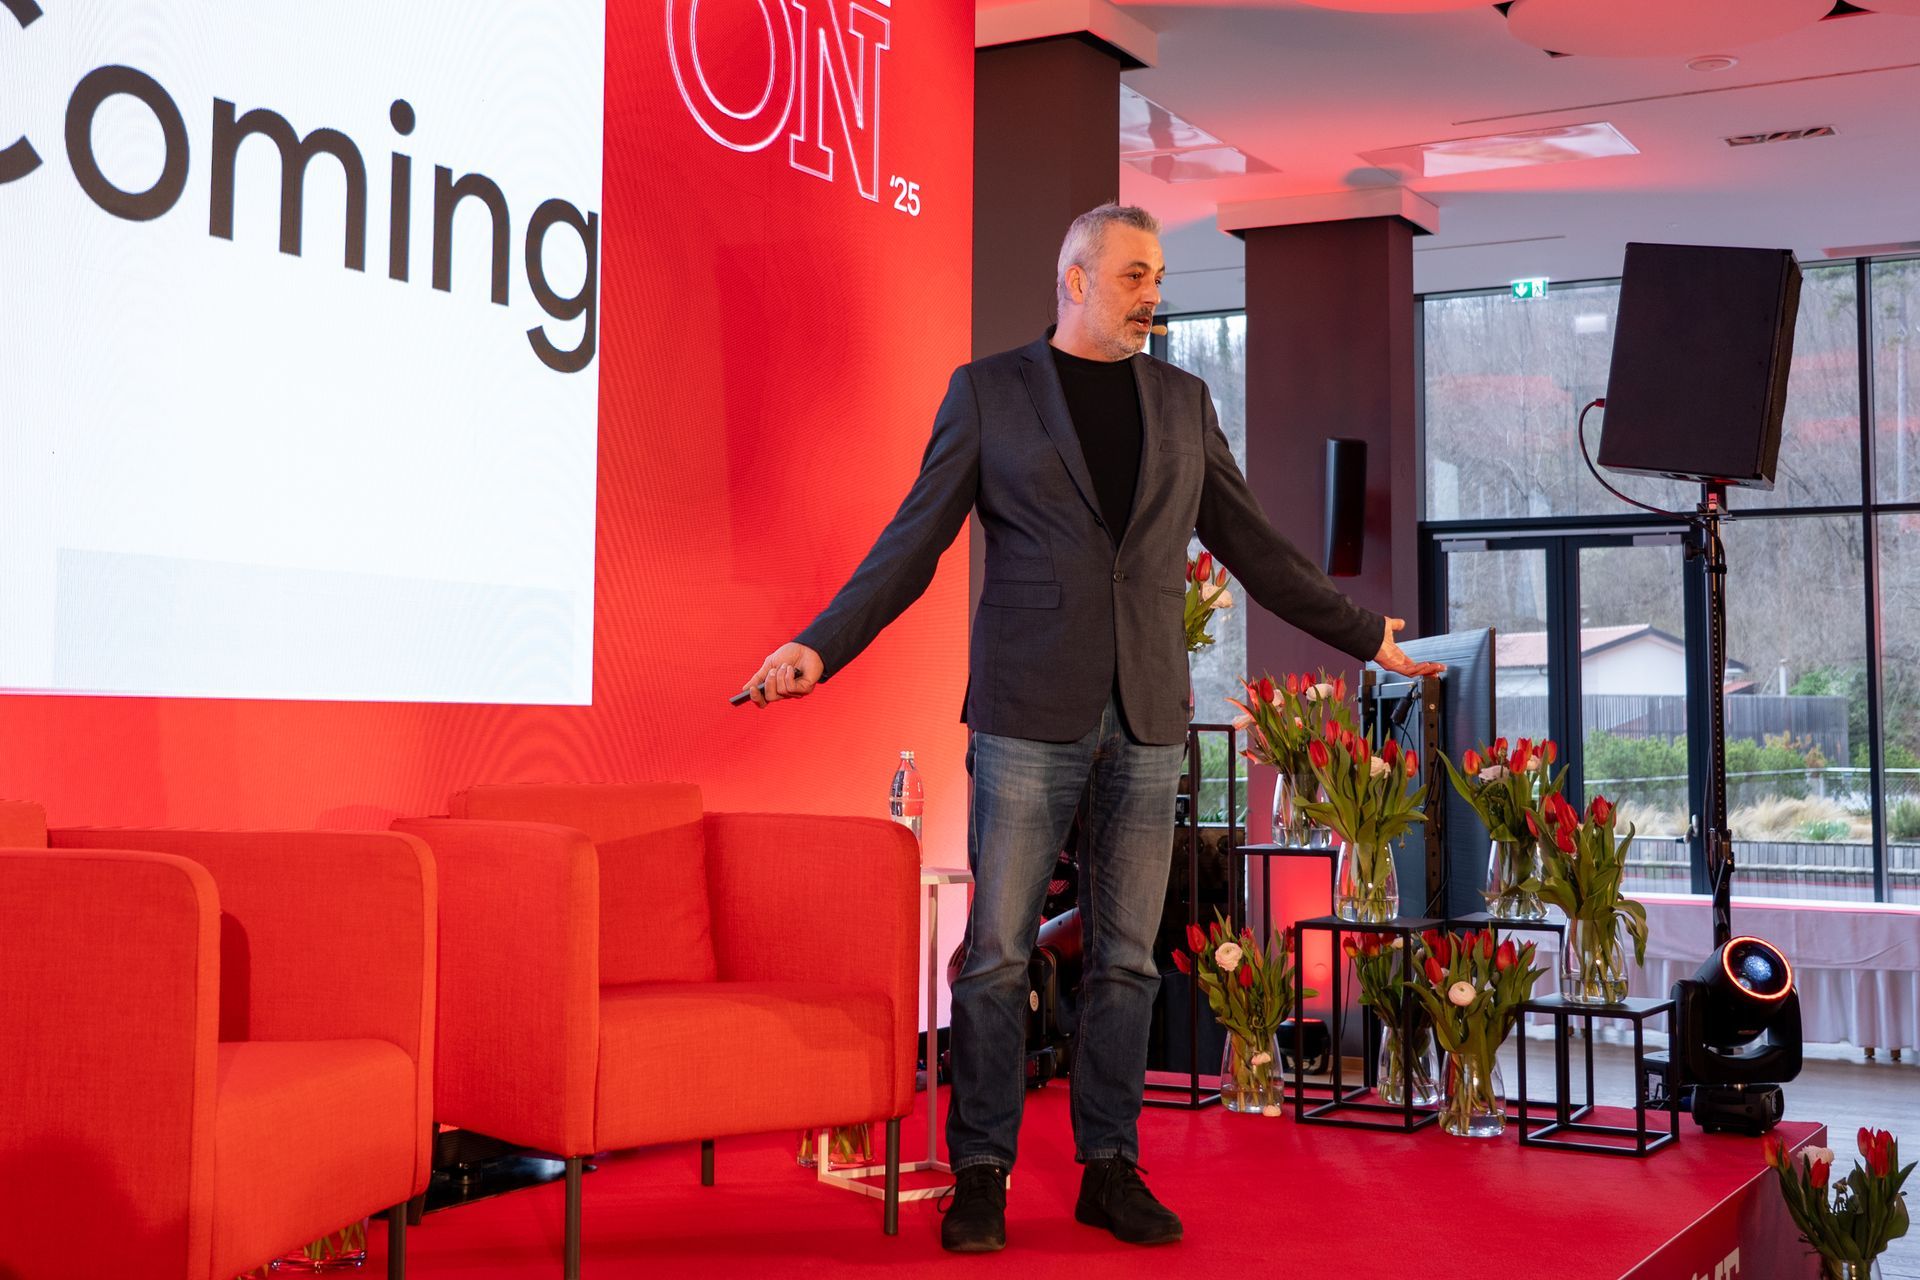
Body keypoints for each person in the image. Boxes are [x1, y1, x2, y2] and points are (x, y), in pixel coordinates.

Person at [742, 203, 1441, 1253]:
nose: (1152, 294)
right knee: (995, 954)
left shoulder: (1184, 401)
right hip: (1026, 711)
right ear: (1075, 278)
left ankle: (1109, 1166)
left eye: (1157, 276)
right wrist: (820, 644)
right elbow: (912, 541)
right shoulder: (989, 392)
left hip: (1150, 715)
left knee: (1126, 959)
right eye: (1133, 276)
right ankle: (982, 1170)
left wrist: (1360, 632)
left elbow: (1253, 545)